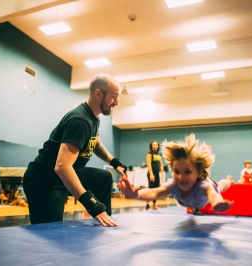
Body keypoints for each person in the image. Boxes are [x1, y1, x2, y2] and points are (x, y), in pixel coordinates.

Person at [23, 74, 126, 227]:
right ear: (99, 94)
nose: (116, 102)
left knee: (103, 178)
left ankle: (104, 222)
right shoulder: (80, 120)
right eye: (114, 97)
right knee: (50, 234)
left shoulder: (93, 118)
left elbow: (95, 143)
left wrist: (115, 162)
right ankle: (100, 214)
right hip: (44, 182)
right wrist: (92, 204)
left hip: (65, 175)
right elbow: (62, 166)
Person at [118, 134, 234, 213]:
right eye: (176, 171)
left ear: (198, 173)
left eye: (187, 172)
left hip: (209, 190)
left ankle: (230, 180)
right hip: (194, 203)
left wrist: (217, 202)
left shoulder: (203, 186)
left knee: (220, 186)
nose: (180, 177)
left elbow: (212, 195)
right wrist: (134, 194)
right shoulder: (174, 185)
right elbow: (153, 192)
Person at [145, 140, 165, 210]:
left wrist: (162, 174)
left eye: (156, 145)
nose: (155, 146)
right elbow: (149, 164)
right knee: (150, 189)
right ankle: (147, 205)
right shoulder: (149, 154)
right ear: (151, 146)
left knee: (156, 189)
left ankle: (154, 205)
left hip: (157, 174)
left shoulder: (159, 155)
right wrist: (151, 174)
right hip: (152, 173)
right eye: (154, 145)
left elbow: (161, 165)